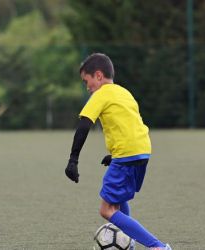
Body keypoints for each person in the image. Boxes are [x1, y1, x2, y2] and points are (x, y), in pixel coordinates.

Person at [65, 53, 171, 250]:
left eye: (86, 81)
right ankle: (128, 243)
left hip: (127, 154)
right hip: (142, 150)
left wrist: (73, 159)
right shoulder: (124, 92)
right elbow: (128, 124)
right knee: (119, 200)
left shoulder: (101, 94)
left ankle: (158, 247)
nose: (87, 87)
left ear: (98, 75)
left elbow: (84, 125)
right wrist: (114, 154)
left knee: (106, 210)